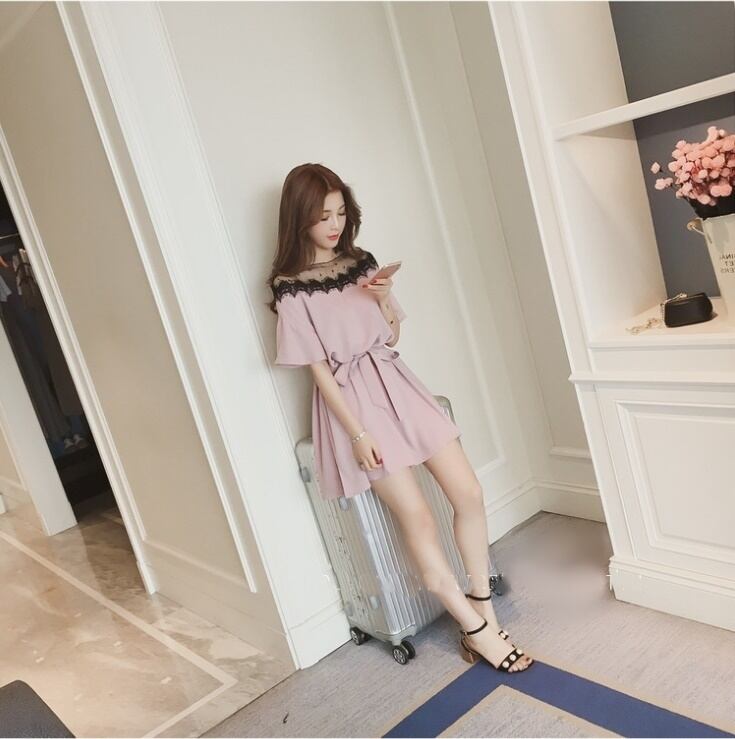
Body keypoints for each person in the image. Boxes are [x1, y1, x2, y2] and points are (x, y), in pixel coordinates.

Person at [267, 163, 534, 673]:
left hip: (399, 384)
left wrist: (385, 301)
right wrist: (357, 433)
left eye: (340, 212)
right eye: (323, 216)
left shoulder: (361, 263)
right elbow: (318, 371)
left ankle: (481, 604)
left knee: (469, 492)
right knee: (418, 518)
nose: (334, 224)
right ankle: (477, 631)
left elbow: (390, 337)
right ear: (300, 218)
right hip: (354, 404)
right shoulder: (290, 288)